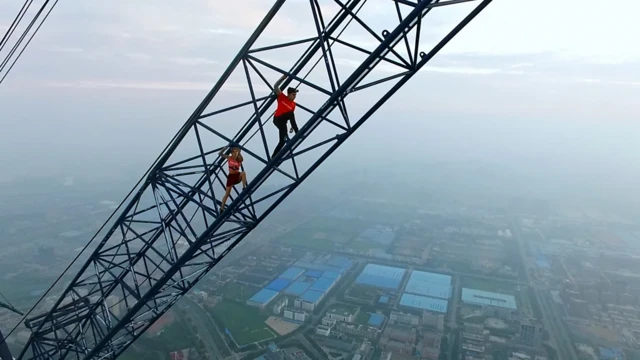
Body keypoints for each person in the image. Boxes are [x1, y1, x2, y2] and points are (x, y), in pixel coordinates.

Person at [271, 74, 299, 158]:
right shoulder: (282, 97)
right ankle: (297, 132)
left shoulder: (293, 104)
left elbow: (291, 117)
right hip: (277, 119)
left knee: (282, 141)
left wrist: (291, 126)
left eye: (295, 95)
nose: (295, 96)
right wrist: (282, 78)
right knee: (290, 113)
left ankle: (273, 157)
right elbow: (275, 86)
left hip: (284, 122)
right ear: (289, 94)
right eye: (293, 94)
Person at [218, 146, 247, 212]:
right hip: (231, 177)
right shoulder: (229, 158)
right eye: (233, 152)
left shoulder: (239, 159)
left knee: (243, 173)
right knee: (227, 194)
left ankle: (244, 187)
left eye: (236, 152)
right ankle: (221, 208)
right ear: (231, 153)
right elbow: (220, 154)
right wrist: (224, 149)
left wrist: (239, 151)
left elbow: (241, 158)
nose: (235, 153)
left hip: (237, 176)